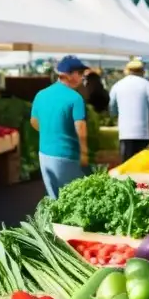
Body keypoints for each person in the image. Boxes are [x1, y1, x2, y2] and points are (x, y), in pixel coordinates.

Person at [31, 55, 90, 198]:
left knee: (54, 198)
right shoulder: (75, 98)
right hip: (67, 154)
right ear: (71, 75)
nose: (82, 78)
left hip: (44, 153)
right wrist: (84, 153)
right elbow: (80, 128)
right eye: (80, 74)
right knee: (74, 198)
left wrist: (51, 131)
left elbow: (34, 122)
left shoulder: (41, 94)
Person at [109, 58, 149, 162]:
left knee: (126, 167)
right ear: (143, 71)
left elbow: (112, 110)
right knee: (142, 166)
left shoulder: (117, 86)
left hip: (125, 133)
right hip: (144, 133)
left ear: (127, 71)